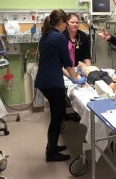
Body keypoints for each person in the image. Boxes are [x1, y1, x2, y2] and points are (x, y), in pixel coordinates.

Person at [35, 9, 86, 162]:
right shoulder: (59, 38)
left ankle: (52, 146)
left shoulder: (46, 36)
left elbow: (56, 62)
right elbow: (68, 63)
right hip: (51, 82)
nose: (66, 27)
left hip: (44, 80)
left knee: (57, 113)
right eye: (66, 23)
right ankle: (51, 153)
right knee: (57, 116)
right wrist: (76, 79)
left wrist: (72, 77)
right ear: (62, 22)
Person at [62, 13, 91, 78]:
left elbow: (87, 57)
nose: (75, 24)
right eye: (72, 22)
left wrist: (89, 71)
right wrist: (72, 76)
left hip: (78, 70)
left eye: (77, 22)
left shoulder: (83, 36)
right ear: (67, 24)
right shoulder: (61, 36)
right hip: (64, 71)